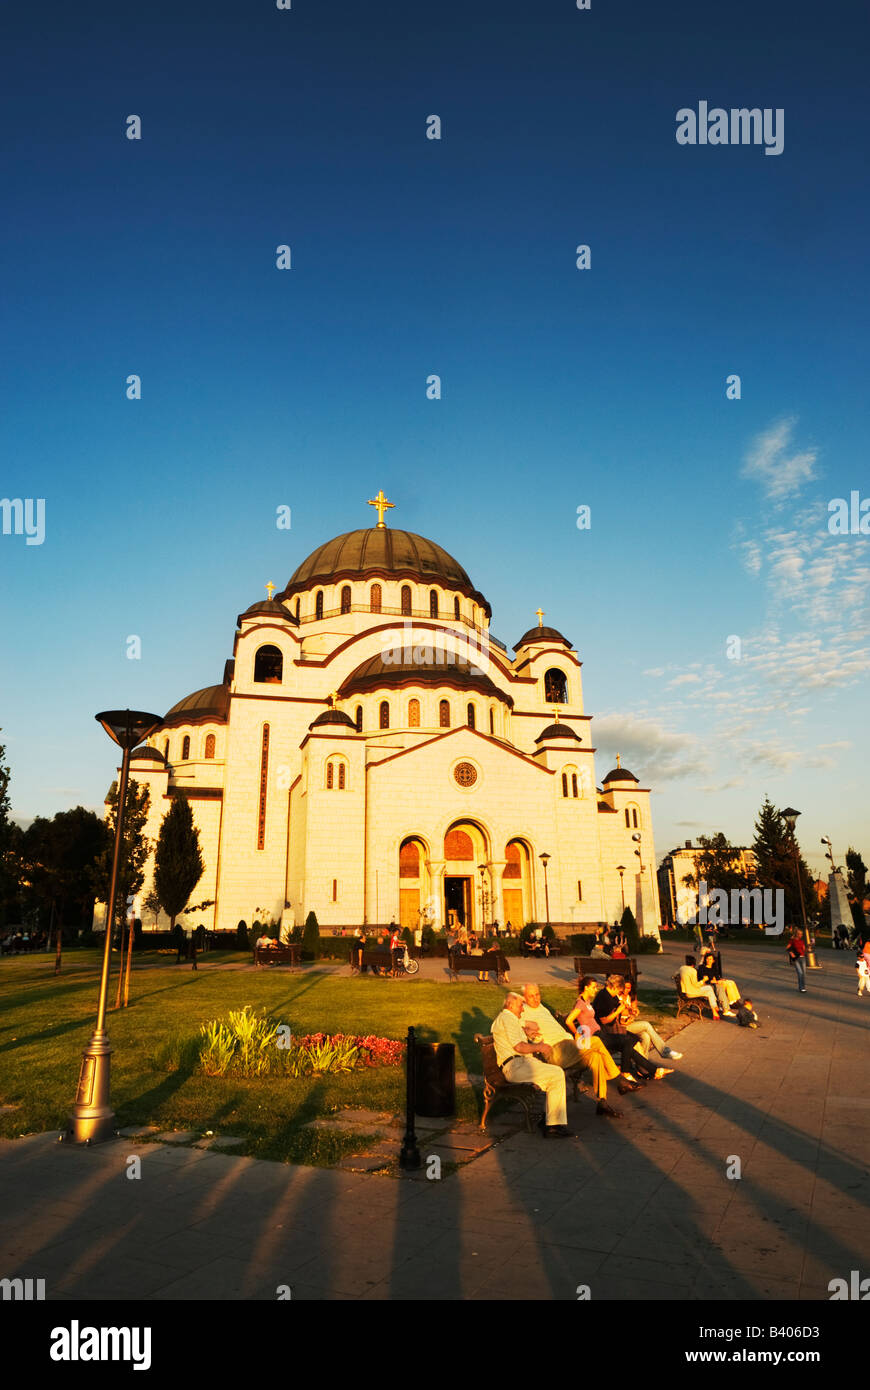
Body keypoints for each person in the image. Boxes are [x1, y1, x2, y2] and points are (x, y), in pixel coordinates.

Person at [522, 982, 627, 1115]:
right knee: (595, 1041)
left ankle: (602, 1102)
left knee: (596, 1056)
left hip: (569, 1047)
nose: (536, 998)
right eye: (531, 996)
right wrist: (525, 1025)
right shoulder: (523, 1011)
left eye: (537, 994)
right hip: (556, 1051)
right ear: (524, 998)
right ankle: (619, 1080)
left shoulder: (541, 1007)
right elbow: (511, 1020)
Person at [490, 991, 570, 1136]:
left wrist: (527, 1033)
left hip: (522, 1063)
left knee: (555, 1073)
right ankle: (552, 1126)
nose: (523, 1009)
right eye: (521, 1006)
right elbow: (519, 1047)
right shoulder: (506, 1018)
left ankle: (550, 1120)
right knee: (557, 1073)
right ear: (511, 1005)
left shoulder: (510, 1018)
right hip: (515, 1067)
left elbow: (519, 1034)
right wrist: (539, 1047)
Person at [593, 974, 671, 1082]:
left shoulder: (611, 995)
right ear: (614, 987)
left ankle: (650, 1070)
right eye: (618, 991)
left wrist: (628, 1009)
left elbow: (619, 1004)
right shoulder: (604, 997)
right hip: (606, 1031)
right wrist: (618, 1011)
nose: (618, 994)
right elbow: (604, 1020)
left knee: (639, 1039)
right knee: (630, 1041)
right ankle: (632, 1071)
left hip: (615, 1028)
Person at [616, 979, 683, 1060]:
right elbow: (620, 1014)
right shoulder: (617, 997)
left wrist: (634, 1012)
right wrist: (628, 1012)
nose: (626, 990)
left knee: (646, 1036)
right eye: (625, 987)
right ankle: (664, 1051)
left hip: (629, 1024)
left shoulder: (631, 996)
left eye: (629, 988)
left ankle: (641, 1063)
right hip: (621, 1026)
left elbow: (633, 1011)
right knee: (646, 1025)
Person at [698, 950, 739, 1017]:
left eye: (710, 959)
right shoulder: (702, 967)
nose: (708, 960)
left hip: (713, 983)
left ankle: (733, 1001)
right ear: (705, 959)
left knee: (730, 982)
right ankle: (726, 1009)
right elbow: (706, 980)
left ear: (713, 961)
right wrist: (716, 981)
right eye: (707, 959)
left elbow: (717, 978)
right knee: (719, 987)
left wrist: (721, 980)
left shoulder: (713, 968)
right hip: (705, 985)